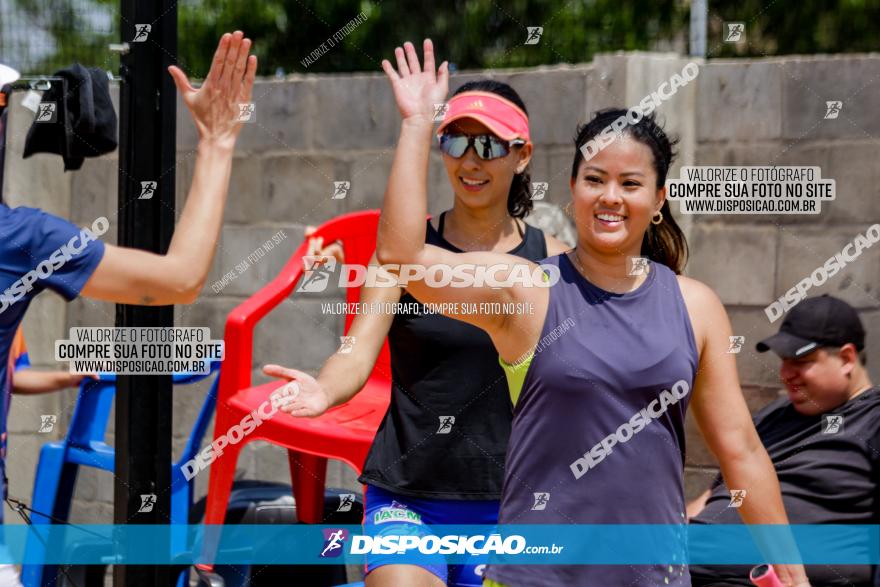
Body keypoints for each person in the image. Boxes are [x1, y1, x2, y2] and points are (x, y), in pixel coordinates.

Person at [370, 39, 811, 586]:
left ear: (658, 200)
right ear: (573, 189)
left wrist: (790, 570)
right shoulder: (528, 291)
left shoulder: (694, 306)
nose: (610, 197)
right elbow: (402, 257)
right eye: (595, 179)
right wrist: (417, 125)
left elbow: (741, 450)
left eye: (631, 184)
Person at [264, 78, 569, 587]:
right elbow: (356, 353)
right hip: (408, 496)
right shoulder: (402, 254)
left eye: (489, 145)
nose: (470, 161)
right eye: (455, 141)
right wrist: (323, 389)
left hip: (514, 503)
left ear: (522, 155)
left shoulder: (555, 262)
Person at [0, 31, 256, 585]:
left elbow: (11, 379)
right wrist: (217, 141)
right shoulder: (21, 238)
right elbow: (181, 278)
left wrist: (71, 374)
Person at [688, 294, 878, 586]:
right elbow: (714, 495)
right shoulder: (773, 416)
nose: (785, 374)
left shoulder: (872, 420)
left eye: (801, 361)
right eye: (784, 361)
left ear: (846, 358)